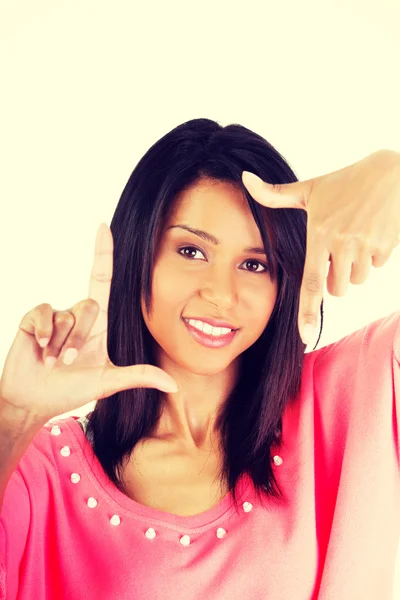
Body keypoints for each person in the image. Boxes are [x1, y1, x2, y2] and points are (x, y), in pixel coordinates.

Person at [0, 118, 399, 600]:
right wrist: (14, 417)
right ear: (138, 253)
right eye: (191, 250)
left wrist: (392, 177)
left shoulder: (347, 399)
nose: (222, 294)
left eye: (254, 264)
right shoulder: (37, 470)